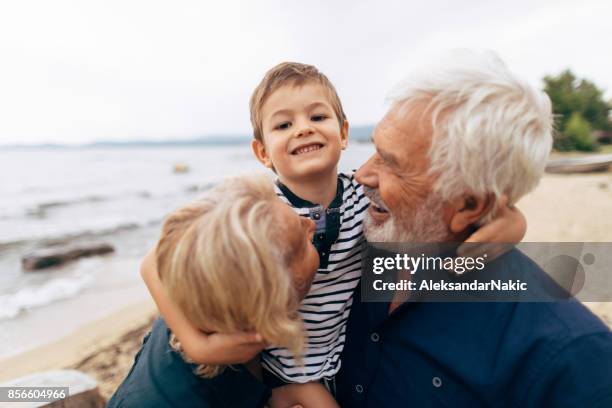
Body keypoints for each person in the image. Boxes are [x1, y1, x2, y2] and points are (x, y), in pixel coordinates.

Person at [138, 61, 529, 405]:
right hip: (281, 366)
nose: (303, 129)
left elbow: (440, 214)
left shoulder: (364, 193)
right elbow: (155, 261)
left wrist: (513, 224)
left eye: (317, 117)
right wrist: (193, 341)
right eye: (284, 124)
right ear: (262, 152)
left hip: (341, 357)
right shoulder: (256, 207)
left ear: (343, 133)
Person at [335, 50, 612, 407]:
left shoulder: (570, 363)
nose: (361, 175)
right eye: (375, 150)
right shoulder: (349, 247)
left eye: (391, 163)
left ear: (470, 205)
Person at [109, 174, 338, 407]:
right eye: (302, 241)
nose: (310, 223)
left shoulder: (202, 290)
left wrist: (196, 345)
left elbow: (155, 260)